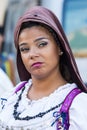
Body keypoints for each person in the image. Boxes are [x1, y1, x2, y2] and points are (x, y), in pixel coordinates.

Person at [0, 6, 87, 130]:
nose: (33, 54)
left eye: (42, 44)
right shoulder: (8, 99)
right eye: (25, 49)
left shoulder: (77, 106)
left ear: (59, 47)